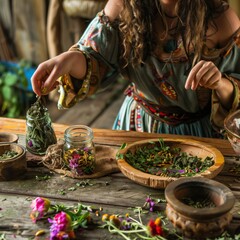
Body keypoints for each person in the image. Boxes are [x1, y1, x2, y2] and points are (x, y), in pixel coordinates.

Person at [31, 0, 240, 138]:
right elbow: (95, 59)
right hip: (138, 127)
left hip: (199, 136)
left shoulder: (221, 20)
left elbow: (237, 95)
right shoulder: (124, 5)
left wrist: (219, 83)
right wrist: (69, 59)